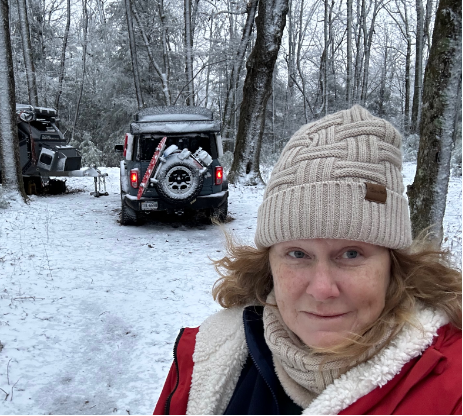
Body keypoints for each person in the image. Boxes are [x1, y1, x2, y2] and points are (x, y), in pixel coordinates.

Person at [153, 105, 462, 415]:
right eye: (298, 254)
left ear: (393, 264)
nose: (322, 289)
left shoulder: (451, 384)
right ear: (269, 263)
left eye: (351, 254)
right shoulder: (201, 362)